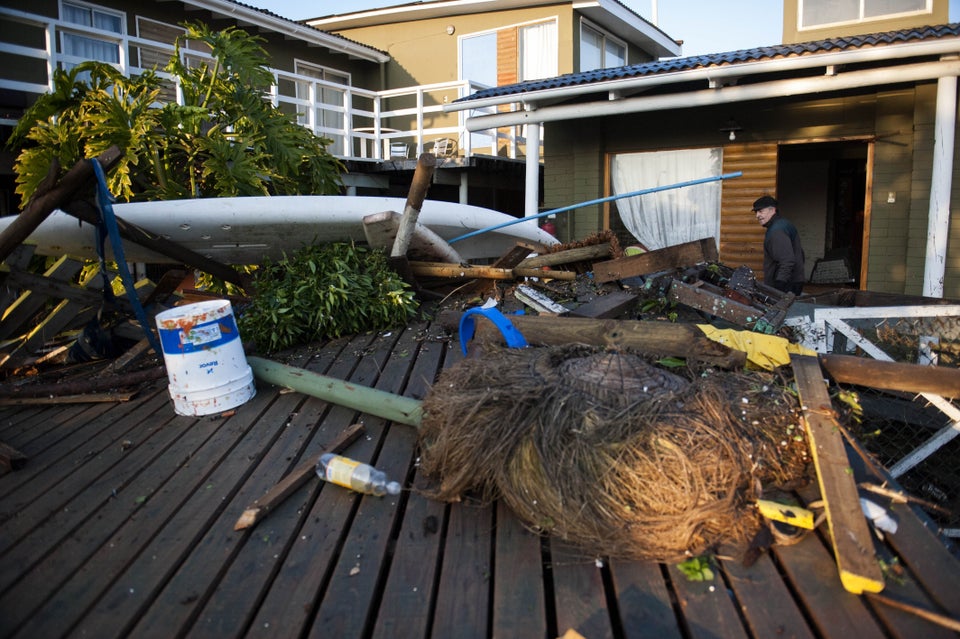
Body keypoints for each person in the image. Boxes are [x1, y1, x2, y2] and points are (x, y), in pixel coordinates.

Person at [752, 195, 805, 295]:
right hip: (793, 282)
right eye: (756, 212)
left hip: (786, 286)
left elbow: (787, 260)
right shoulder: (782, 224)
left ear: (772, 210)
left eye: (760, 211)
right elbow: (800, 253)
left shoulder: (777, 231)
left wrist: (779, 286)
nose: (757, 215)